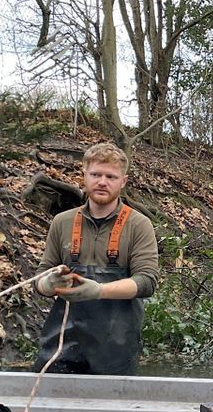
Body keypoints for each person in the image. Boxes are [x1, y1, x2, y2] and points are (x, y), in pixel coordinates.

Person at [34, 142, 160, 375]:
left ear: (123, 182)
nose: (102, 181)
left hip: (116, 348)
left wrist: (98, 290)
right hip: (61, 345)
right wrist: (47, 283)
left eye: (111, 176)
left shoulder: (139, 225)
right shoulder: (62, 222)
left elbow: (147, 281)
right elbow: (40, 279)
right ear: (84, 176)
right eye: (96, 174)